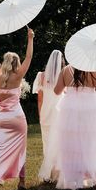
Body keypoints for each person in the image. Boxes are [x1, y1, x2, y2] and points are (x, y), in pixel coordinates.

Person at [48, 65, 96, 190]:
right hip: (89, 107)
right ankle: (91, 175)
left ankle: (75, 178)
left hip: (70, 107)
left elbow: (56, 91)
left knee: (72, 142)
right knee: (90, 141)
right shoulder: (92, 69)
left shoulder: (66, 70)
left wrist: (69, 87)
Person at [0, 28, 34, 190]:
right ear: (16, 63)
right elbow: (29, 57)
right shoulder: (19, 76)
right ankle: (21, 182)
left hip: (2, 117)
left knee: (0, 150)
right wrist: (30, 39)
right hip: (17, 117)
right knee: (21, 149)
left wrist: (2, 113)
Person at [32, 50, 64, 181]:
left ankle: (49, 173)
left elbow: (40, 98)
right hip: (59, 112)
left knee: (47, 142)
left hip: (46, 112)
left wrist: (40, 114)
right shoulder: (63, 75)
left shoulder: (41, 76)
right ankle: (58, 172)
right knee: (59, 142)